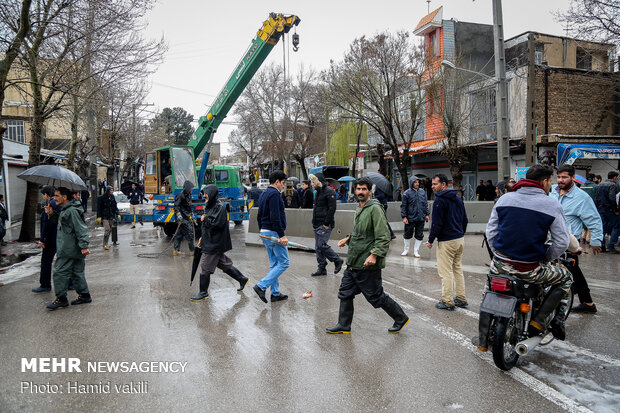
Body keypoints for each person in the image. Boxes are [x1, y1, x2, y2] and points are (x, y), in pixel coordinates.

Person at [478, 164, 572, 350]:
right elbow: (562, 242)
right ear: (544, 181)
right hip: (530, 268)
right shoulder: (552, 204)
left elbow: (491, 232)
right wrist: (545, 258)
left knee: (488, 288)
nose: (551, 185)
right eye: (551, 181)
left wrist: (499, 254)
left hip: (500, 264)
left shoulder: (504, 199)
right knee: (566, 277)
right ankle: (539, 321)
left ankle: (482, 340)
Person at [326, 177, 409, 334]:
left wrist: (374, 255)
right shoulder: (360, 207)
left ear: (370, 191)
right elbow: (362, 231)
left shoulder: (375, 208)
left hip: (367, 262)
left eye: (364, 189)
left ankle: (400, 317)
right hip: (354, 260)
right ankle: (344, 325)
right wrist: (348, 238)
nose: (361, 192)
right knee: (345, 292)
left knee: (375, 296)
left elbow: (383, 236)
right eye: (358, 189)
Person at [550, 164, 603, 313]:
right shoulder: (552, 192)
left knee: (573, 272)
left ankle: (587, 303)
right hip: (550, 241)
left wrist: (596, 241)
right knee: (571, 272)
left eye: (564, 177)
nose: (560, 180)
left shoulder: (582, 198)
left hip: (569, 243)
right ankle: (587, 302)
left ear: (573, 178)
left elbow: (594, 219)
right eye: (559, 177)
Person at [191, 185, 249, 301]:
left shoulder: (220, 208)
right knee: (224, 264)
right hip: (210, 241)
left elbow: (216, 224)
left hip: (215, 243)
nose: (204, 195)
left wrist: (205, 219)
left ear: (211, 193)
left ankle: (203, 292)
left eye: (206, 193)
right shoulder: (210, 206)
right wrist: (203, 237)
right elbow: (208, 225)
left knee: (205, 267)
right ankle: (242, 279)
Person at [426, 174, 469, 311]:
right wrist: (461, 233)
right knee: (457, 269)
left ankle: (447, 301)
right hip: (459, 239)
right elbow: (465, 219)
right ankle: (461, 298)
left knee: (445, 272)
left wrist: (431, 240)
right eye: (432, 184)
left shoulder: (439, 201)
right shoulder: (457, 198)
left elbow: (436, 224)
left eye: (435, 184)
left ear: (443, 184)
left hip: (447, 241)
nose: (432, 186)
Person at [46, 187, 92, 310]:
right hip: (73, 248)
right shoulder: (66, 210)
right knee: (77, 272)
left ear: (65, 197)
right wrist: (52, 214)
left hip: (68, 249)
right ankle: (84, 295)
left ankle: (61, 298)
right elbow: (66, 225)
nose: (54, 198)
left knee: (59, 272)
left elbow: (80, 228)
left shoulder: (71, 211)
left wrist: (84, 246)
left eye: (56, 196)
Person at [253, 170, 290, 303]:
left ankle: (275, 293)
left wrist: (261, 232)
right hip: (273, 232)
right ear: (277, 182)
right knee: (284, 263)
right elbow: (275, 216)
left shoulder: (264, 193)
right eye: (283, 183)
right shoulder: (274, 194)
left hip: (265, 231)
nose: (283, 186)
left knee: (274, 263)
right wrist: (282, 235)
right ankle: (261, 286)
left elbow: (258, 215)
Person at [308, 173, 344, 276]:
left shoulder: (329, 191)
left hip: (324, 224)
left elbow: (332, 209)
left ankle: (337, 260)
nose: (312, 183)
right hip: (316, 223)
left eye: (313, 181)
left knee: (321, 245)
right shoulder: (317, 192)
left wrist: (326, 224)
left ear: (317, 181)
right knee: (318, 248)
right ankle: (322, 267)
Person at [33, 186, 61, 293]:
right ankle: (70, 283)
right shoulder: (58, 204)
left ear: (46, 195)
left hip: (50, 239)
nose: (43, 197)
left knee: (46, 262)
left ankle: (45, 285)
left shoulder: (50, 205)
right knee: (63, 261)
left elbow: (47, 224)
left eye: (43, 195)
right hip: (59, 238)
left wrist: (42, 239)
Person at [400, 175, 429, 258]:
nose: (417, 184)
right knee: (407, 234)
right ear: (411, 183)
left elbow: (425, 204)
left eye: (418, 182)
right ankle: (406, 250)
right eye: (415, 182)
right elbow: (403, 206)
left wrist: (427, 214)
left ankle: (416, 251)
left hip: (421, 217)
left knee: (419, 234)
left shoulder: (422, 192)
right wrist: (404, 217)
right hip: (410, 217)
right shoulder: (407, 193)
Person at [595, 171, 619, 253]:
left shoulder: (600, 185)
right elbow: (612, 198)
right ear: (615, 177)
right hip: (609, 209)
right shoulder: (613, 185)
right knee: (617, 226)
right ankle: (611, 246)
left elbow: (596, 197)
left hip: (601, 209)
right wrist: (615, 209)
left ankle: (602, 246)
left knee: (603, 228)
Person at [173, 180, 196, 256]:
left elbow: (189, 206)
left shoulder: (188, 195)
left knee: (179, 234)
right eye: (191, 188)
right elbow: (176, 206)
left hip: (186, 217)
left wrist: (192, 214)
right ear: (187, 188)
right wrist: (178, 214)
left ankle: (176, 250)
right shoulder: (180, 195)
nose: (192, 190)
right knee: (190, 233)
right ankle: (192, 251)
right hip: (182, 218)